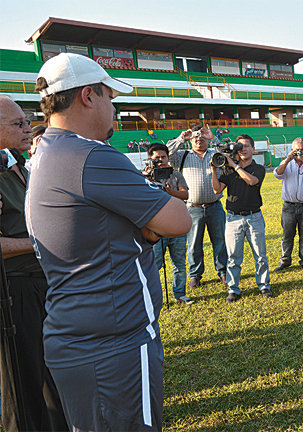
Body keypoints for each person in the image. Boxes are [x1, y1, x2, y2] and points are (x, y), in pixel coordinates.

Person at [26, 53, 191, 430]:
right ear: (88, 96)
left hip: (82, 336)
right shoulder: (90, 155)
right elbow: (178, 219)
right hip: (113, 342)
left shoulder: (46, 153)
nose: (114, 110)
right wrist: (147, 223)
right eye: (110, 98)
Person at [0, 96, 67, 432]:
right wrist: (40, 243)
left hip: (42, 284)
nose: (28, 128)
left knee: (53, 377)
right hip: (14, 292)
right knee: (22, 389)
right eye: (18, 124)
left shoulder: (20, 163)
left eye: (26, 121)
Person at [211, 134, 271, 302]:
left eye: (246, 146)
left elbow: (252, 181)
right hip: (232, 218)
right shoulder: (228, 169)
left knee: (260, 255)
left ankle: (264, 285)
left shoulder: (258, 168)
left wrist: (234, 165)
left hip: (254, 216)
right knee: (233, 257)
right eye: (240, 147)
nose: (243, 149)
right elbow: (217, 190)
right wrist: (214, 170)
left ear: (253, 149)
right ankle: (233, 289)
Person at [167, 124, 228, 288]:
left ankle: (223, 272)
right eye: (195, 136)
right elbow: (167, 153)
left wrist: (213, 138)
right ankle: (195, 275)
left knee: (220, 241)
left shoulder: (216, 155)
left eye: (202, 135)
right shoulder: (182, 156)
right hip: (192, 207)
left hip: (215, 206)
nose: (198, 138)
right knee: (194, 244)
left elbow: (230, 152)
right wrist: (181, 138)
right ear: (190, 139)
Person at [146, 143, 193, 304]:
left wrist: (170, 192)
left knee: (179, 262)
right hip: (156, 228)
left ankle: (180, 293)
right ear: (149, 160)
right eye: (156, 158)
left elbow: (185, 194)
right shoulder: (145, 177)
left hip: (177, 225)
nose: (161, 161)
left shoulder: (176, 175)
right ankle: (153, 296)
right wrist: (147, 178)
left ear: (168, 157)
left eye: (163, 157)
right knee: (155, 264)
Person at [273, 137, 303, 271]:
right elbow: (277, 174)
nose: (299, 153)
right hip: (289, 205)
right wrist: (287, 159)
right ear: (291, 150)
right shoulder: (287, 163)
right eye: (296, 150)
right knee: (287, 235)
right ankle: (285, 260)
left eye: (302, 150)